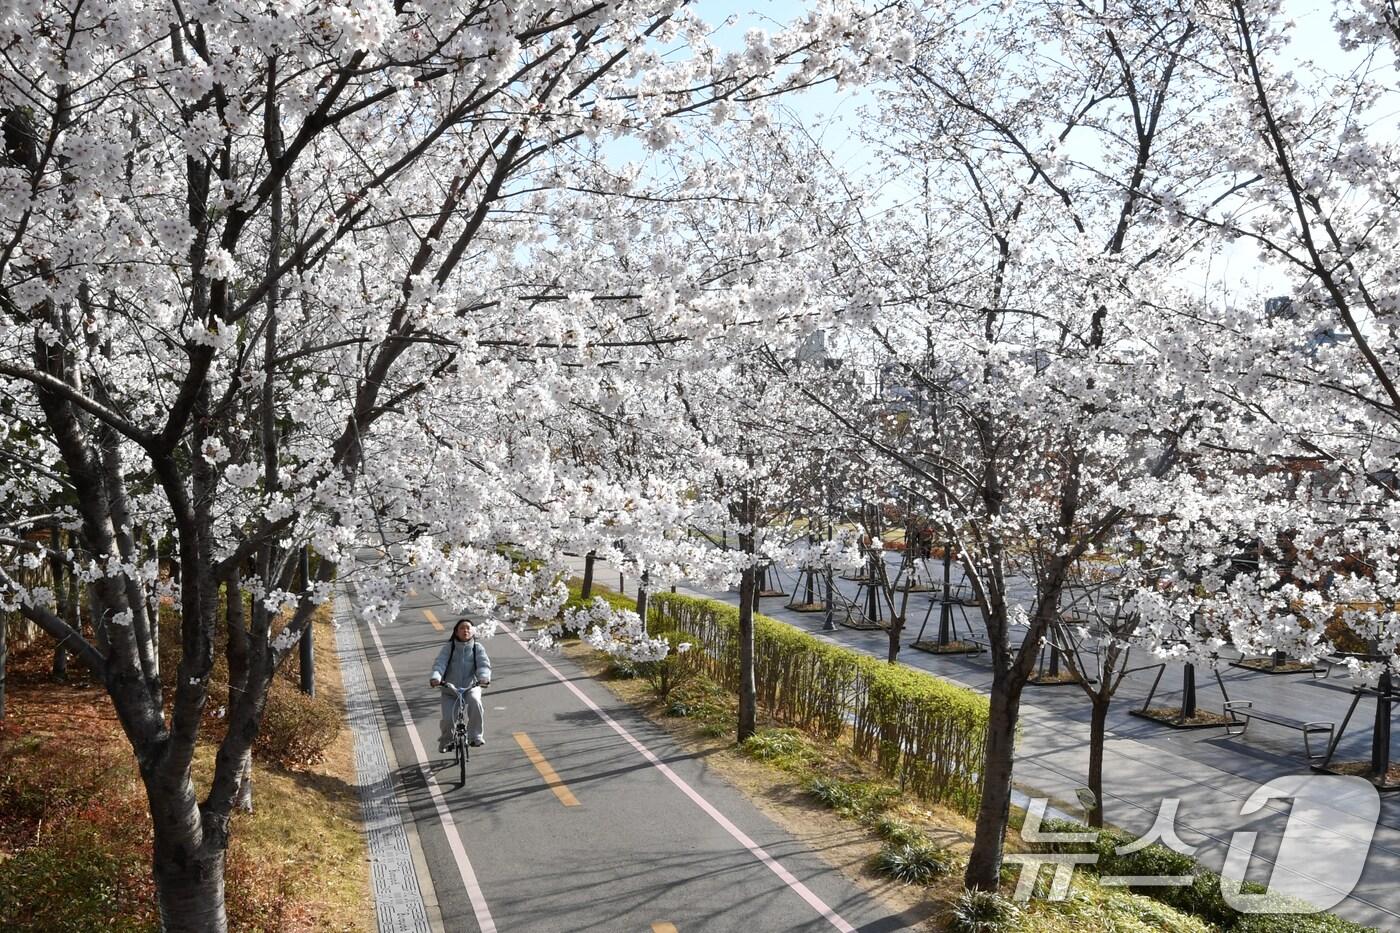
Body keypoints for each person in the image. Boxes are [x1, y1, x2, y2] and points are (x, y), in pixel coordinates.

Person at [429, 618, 492, 753]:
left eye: (468, 628)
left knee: (475, 701)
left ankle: (475, 736)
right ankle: (446, 741)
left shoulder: (477, 648)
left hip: (470, 687)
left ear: (473, 631)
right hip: (450, 689)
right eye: (462, 628)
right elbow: (440, 663)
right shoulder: (449, 647)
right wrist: (436, 677)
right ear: (456, 632)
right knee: (448, 719)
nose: (465, 631)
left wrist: (483, 677)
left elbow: (483, 664)